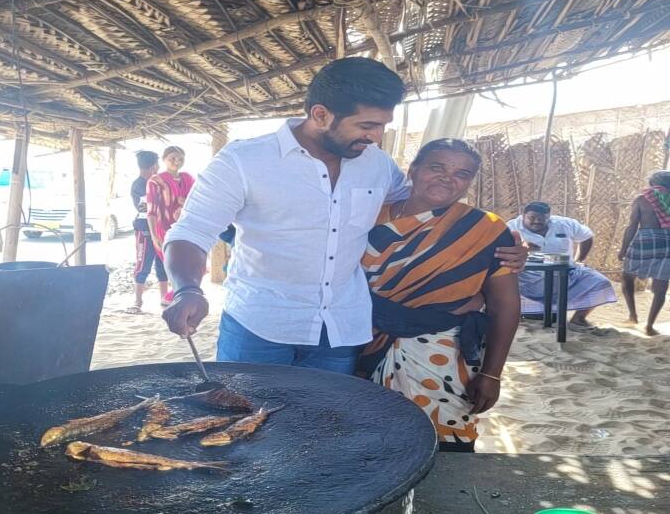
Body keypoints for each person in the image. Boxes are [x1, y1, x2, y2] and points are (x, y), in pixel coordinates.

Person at [161, 57, 527, 374]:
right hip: (259, 325)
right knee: (247, 430)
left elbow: (420, 211)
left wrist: (500, 243)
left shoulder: (377, 165)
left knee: (325, 431)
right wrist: (188, 289)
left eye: (382, 125)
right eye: (367, 126)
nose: (377, 137)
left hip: (342, 330)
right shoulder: (243, 161)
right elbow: (191, 232)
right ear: (320, 114)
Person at [357, 139, 520, 452]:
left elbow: (505, 305)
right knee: (372, 443)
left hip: (444, 357)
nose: (448, 178)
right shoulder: (370, 217)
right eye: (437, 167)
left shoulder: (485, 229)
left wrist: (492, 373)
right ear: (414, 170)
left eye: (462, 173)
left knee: (444, 449)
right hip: (366, 342)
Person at [507, 202, 616, 330]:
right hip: (528, 277)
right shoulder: (511, 227)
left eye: (542, 219)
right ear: (523, 215)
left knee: (600, 281)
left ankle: (579, 319)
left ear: (549, 216)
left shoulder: (565, 224)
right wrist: (523, 247)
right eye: (532, 218)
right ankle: (521, 315)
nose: (537, 221)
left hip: (566, 273)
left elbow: (587, 236)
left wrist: (579, 259)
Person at [618, 170, 670, 336]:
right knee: (661, 285)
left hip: (644, 241)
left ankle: (633, 315)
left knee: (627, 277)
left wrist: (623, 249)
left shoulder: (642, 199)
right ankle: (649, 325)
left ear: (651, 183)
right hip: (667, 244)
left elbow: (632, 226)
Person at [146, 145, 195, 304]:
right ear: (164, 159)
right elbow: (151, 210)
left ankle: (173, 298)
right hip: (164, 229)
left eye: (180, 158)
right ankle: (172, 297)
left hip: (186, 228)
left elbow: (198, 201)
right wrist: (154, 235)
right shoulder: (156, 181)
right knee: (173, 264)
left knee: (187, 264)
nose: (177, 161)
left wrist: (186, 202)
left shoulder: (188, 178)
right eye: (172, 158)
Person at [128, 150, 168, 313]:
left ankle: (165, 299)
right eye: (157, 164)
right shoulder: (139, 185)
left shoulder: (157, 182)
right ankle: (138, 301)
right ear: (153, 166)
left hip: (160, 229)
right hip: (145, 229)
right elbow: (145, 208)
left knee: (163, 264)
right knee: (143, 263)